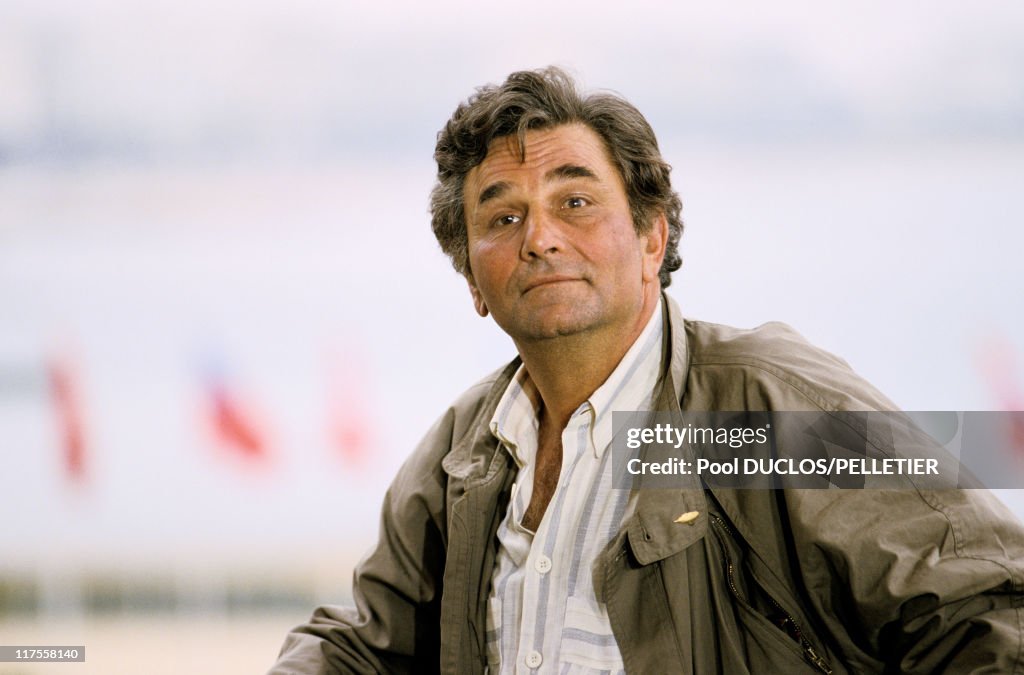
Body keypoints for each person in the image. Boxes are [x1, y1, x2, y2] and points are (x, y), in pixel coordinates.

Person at [270, 67, 1024, 674]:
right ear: (472, 278)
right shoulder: (465, 452)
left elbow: (987, 608)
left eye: (575, 200)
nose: (539, 238)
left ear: (653, 237)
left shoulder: (753, 408)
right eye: (502, 218)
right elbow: (366, 643)